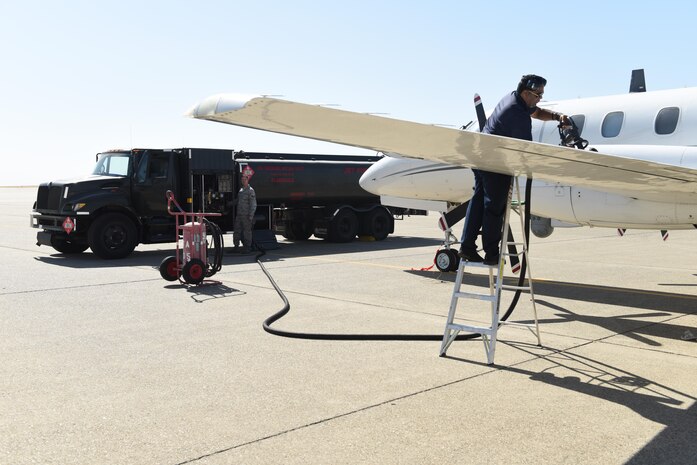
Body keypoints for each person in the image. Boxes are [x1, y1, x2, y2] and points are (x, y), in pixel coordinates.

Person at [459, 74, 569, 266]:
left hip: (481, 158)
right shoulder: (516, 114)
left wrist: (556, 117)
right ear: (527, 93)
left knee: (478, 202)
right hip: (495, 163)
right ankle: (492, 254)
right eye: (538, 94)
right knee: (494, 208)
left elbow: (536, 112)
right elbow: (524, 149)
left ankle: (467, 247)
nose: (540, 98)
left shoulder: (513, 97)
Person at [234, 173, 257, 253]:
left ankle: (247, 247)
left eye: (245, 180)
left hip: (246, 215)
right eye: (242, 180)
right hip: (239, 215)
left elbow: (253, 204)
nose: (243, 181)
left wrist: (250, 216)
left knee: (247, 232)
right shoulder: (241, 190)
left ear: (247, 180)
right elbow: (238, 201)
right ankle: (236, 246)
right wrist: (230, 203)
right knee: (236, 230)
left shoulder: (250, 191)